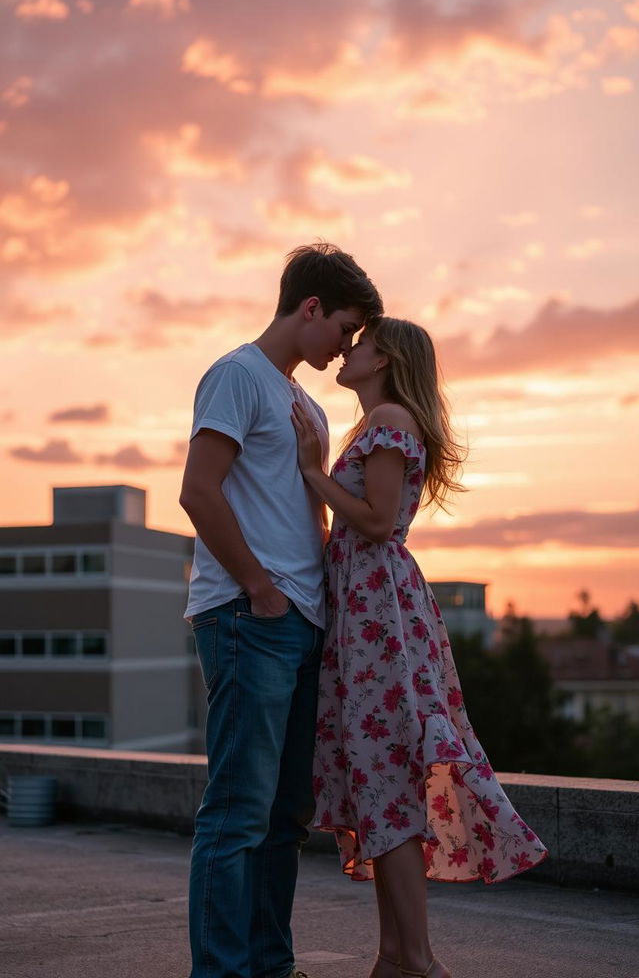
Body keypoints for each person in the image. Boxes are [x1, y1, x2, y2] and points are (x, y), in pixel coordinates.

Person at [291, 316, 548, 978]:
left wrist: (312, 474)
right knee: (377, 784)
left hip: (380, 614)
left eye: (362, 342)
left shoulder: (393, 420)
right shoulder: (381, 422)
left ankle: (419, 961)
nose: (349, 351)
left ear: (387, 359)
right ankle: (395, 958)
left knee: (389, 780)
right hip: (367, 613)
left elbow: (377, 520)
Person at [179, 242, 383, 978]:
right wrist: (260, 589)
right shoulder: (237, 376)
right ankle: (223, 971)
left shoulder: (305, 405)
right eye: (344, 329)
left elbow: (310, 516)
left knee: (284, 818)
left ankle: (269, 964)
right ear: (309, 309)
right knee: (237, 812)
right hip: (247, 618)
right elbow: (199, 492)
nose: (345, 349)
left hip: (303, 627)